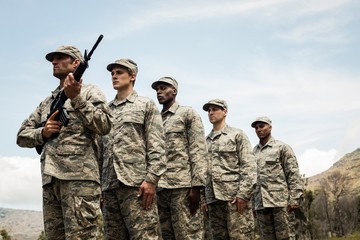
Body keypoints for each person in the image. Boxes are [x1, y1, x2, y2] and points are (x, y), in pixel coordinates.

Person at [16, 45, 112, 239]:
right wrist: (42, 133)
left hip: (79, 180)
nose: (54, 61)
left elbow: (105, 125)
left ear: (76, 63)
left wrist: (77, 99)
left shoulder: (90, 91)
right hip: (51, 182)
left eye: (60, 58)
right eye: (53, 59)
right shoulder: (47, 102)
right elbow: (21, 136)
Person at [101, 59, 166, 240]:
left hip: (137, 185)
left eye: (119, 72)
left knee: (145, 236)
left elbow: (157, 145)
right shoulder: (105, 110)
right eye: (112, 73)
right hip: (109, 185)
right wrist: (100, 187)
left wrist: (151, 180)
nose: (114, 76)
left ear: (132, 76)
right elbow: (101, 149)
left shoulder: (145, 104)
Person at [151, 77, 207, 239]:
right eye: (157, 90)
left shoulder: (187, 114)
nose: (159, 92)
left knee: (188, 234)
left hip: (183, 187)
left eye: (163, 88)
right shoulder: (155, 119)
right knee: (165, 235)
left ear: (174, 91)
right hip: (160, 188)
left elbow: (198, 150)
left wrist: (196, 186)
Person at [202, 99, 257, 240]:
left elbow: (249, 166)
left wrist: (243, 194)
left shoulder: (237, 135)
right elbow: (202, 171)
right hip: (213, 201)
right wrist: (204, 199)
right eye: (209, 110)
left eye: (215, 109)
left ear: (225, 111)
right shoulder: (205, 141)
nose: (211, 113)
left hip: (234, 199)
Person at [251, 116, 304, 240]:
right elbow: (252, 180)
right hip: (261, 204)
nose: (259, 129)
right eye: (256, 127)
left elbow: (293, 173)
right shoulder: (253, 153)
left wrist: (295, 198)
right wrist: (253, 204)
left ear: (270, 127)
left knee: (285, 237)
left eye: (262, 126)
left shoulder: (282, 148)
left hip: (281, 203)